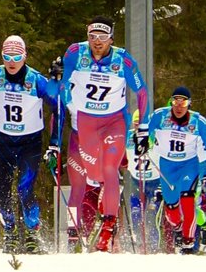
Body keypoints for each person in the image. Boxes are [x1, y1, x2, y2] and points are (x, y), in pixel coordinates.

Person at [53, 16, 148, 252]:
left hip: (114, 121)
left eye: (103, 37)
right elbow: (62, 85)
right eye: (93, 37)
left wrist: (143, 127)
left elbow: (142, 91)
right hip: (84, 123)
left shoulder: (122, 59)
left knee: (109, 168)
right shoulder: (75, 53)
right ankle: (74, 235)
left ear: (111, 39)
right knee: (87, 178)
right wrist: (71, 106)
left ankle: (108, 226)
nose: (97, 42)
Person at [0, 35, 57, 254]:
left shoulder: (36, 80)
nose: (11, 62)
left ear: (24, 56)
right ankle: (11, 233)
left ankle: (32, 234)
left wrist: (55, 143)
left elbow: (59, 106)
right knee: (1, 191)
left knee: (25, 187)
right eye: (7, 56)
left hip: (30, 142)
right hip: (3, 141)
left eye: (16, 56)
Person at [138, 86, 206, 253]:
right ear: (171, 101)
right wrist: (141, 141)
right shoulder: (160, 116)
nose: (179, 106)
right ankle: (179, 229)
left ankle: (188, 243)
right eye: (176, 101)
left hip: (189, 165)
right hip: (167, 167)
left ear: (189, 104)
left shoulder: (198, 121)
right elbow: (143, 127)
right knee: (171, 210)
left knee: (187, 201)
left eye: (184, 102)